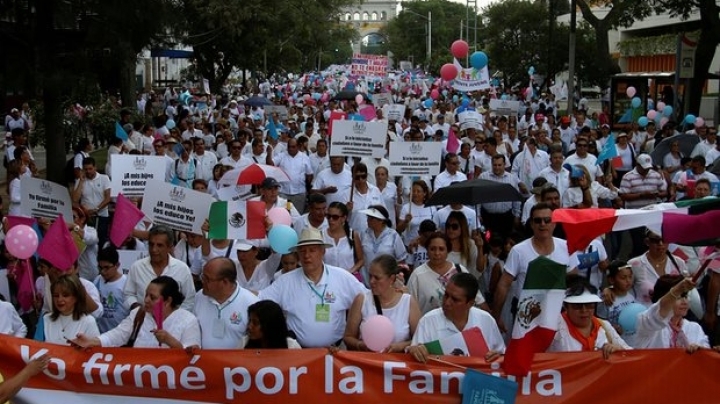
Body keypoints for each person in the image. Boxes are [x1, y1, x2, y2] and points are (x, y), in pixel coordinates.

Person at [258, 228, 366, 348]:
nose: (307, 256)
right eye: (302, 251)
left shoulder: (342, 277)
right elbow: (259, 299)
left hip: (335, 353)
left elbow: (365, 299)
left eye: (312, 250)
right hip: (299, 354)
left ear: (323, 251)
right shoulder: (285, 281)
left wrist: (353, 330)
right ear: (298, 254)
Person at [492, 203, 572, 333]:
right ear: (531, 224)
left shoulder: (566, 247)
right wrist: (496, 316)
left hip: (557, 311)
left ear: (554, 223)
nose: (542, 224)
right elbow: (503, 285)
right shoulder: (518, 251)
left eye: (547, 220)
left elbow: (573, 281)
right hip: (525, 314)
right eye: (537, 220)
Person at [72, 276, 201, 349]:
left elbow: (192, 358)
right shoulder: (139, 313)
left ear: (167, 301)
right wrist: (91, 341)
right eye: (146, 295)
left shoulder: (188, 321)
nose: (146, 300)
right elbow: (117, 335)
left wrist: (170, 341)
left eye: (153, 297)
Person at [407, 273, 505, 363]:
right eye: (446, 295)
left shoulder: (486, 320)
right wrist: (415, 350)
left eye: (455, 299)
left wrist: (497, 356)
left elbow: (501, 355)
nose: (447, 302)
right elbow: (414, 358)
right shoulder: (428, 321)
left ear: (470, 303)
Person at [344, 255, 421, 353]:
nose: (372, 281)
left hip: (398, 364)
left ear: (392, 279)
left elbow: (420, 339)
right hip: (367, 363)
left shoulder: (408, 302)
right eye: (370, 276)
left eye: (377, 278)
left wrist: (400, 347)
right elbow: (348, 337)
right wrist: (361, 345)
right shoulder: (361, 300)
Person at [408, 232, 488, 315]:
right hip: (430, 326)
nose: (437, 253)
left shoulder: (459, 270)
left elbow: (478, 299)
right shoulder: (417, 275)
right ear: (427, 251)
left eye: (441, 249)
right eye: (432, 249)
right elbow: (409, 308)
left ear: (448, 251)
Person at [547, 278, 630, 356]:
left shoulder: (604, 326)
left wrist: (618, 350)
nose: (584, 310)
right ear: (566, 306)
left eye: (589, 305)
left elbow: (630, 354)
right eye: (577, 306)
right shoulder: (553, 328)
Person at [123, 225, 196, 311]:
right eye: (151, 244)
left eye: (159, 245)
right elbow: (128, 294)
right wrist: (137, 308)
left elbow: (190, 300)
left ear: (170, 247)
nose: (154, 249)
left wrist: (174, 317)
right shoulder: (137, 267)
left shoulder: (182, 269)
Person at [194, 257, 259, 349]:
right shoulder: (199, 297)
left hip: (237, 362)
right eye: (202, 277)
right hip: (203, 361)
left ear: (225, 282)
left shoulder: (252, 303)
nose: (202, 281)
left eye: (207, 279)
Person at [635, 275, 710, 352]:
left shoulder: (695, 327)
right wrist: (678, 289)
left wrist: (700, 350)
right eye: (678, 297)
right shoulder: (647, 323)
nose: (684, 302)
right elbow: (660, 309)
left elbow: (707, 355)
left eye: (686, 296)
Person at [627, 229, 688, 306]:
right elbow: (623, 290)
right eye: (656, 240)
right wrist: (609, 290)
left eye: (665, 239)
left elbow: (686, 292)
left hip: (673, 315)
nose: (661, 243)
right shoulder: (634, 264)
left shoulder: (679, 263)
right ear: (647, 242)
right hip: (645, 315)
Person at [42, 274, 100, 345]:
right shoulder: (45, 319)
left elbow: (95, 351)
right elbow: (36, 348)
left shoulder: (88, 321)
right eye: (56, 296)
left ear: (76, 297)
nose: (59, 299)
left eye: (65, 295)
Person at [359, 205, 407, 286]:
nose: (368, 220)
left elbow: (401, 261)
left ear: (381, 220)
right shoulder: (364, 234)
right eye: (368, 217)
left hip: (386, 283)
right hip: (366, 282)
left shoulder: (393, 235)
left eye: (371, 218)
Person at [596, 261, 639, 347]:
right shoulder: (606, 299)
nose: (628, 281)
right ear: (612, 280)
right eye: (623, 278)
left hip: (634, 341)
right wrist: (612, 328)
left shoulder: (633, 293)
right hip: (616, 344)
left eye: (630, 277)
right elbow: (600, 323)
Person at [72, 157, 111, 248]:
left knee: (101, 241)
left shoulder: (104, 178)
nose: (88, 171)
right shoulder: (80, 181)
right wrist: (81, 181)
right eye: (86, 169)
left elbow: (108, 198)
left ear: (95, 167)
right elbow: (75, 199)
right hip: (86, 218)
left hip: (102, 216)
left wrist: (96, 209)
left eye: (90, 169)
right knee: (87, 242)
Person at [93, 246, 129, 333]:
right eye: (100, 268)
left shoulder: (126, 283)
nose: (103, 271)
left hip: (120, 335)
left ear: (117, 265)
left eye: (107, 268)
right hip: (101, 334)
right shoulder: (97, 280)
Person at [323, 202, 364, 276]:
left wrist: (351, 271)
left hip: (347, 279)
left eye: (335, 217)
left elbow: (361, 260)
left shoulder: (353, 235)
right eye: (328, 216)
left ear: (344, 218)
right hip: (327, 278)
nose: (331, 220)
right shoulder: (321, 235)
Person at [444, 211, 486, 281]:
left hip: (467, 285)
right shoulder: (442, 244)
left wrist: (480, 248)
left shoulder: (471, 244)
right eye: (448, 226)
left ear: (462, 227)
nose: (450, 229)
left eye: (454, 226)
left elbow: (480, 268)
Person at [397, 180, 436, 247]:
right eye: (413, 191)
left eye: (418, 191)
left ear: (424, 193)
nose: (415, 193)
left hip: (427, 245)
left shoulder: (431, 208)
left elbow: (435, 229)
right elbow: (399, 230)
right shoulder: (406, 208)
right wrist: (406, 222)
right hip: (410, 245)